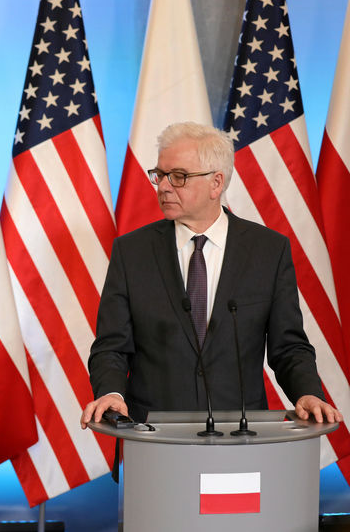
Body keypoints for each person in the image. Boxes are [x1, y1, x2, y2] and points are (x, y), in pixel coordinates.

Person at [81, 122, 341, 428]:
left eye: (178, 177)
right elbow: (111, 346)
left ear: (216, 183)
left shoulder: (268, 251)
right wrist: (111, 391)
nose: (164, 186)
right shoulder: (131, 252)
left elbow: (289, 347)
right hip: (153, 433)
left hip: (241, 432)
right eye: (160, 175)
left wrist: (307, 392)